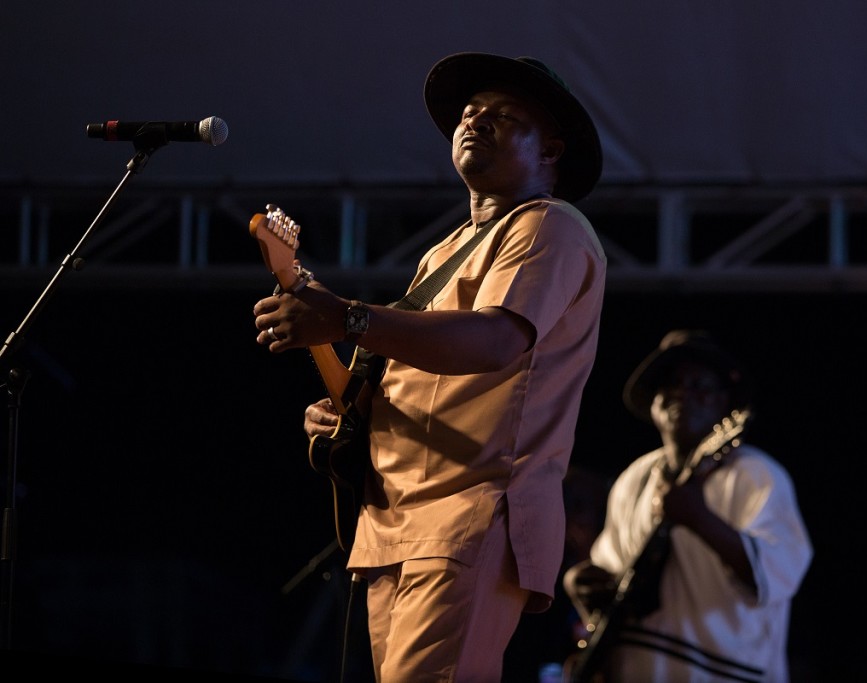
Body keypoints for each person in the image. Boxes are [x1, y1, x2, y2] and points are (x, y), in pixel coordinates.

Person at [253, 52, 606, 682]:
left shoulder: (550, 225)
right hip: (394, 526)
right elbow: (420, 373)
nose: (475, 120)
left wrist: (349, 318)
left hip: (469, 514)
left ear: (550, 150)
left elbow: (496, 342)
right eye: (470, 113)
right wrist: (348, 409)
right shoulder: (442, 253)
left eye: (503, 116)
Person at [563, 330, 813, 683]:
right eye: (671, 384)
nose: (683, 393)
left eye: (700, 385)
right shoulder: (635, 477)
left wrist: (699, 518)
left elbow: (775, 573)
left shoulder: (757, 475)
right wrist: (580, 582)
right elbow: (613, 572)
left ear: (725, 403)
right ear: (653, 404)